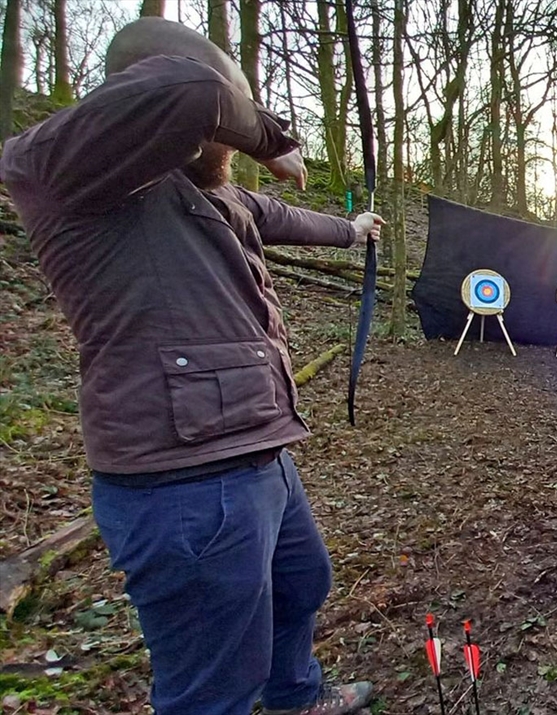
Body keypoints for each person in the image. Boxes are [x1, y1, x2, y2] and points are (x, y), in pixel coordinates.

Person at [0, 18, 383, 715]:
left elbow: (287, 218)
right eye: (229, 116)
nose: (232, 140)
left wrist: (355, 231)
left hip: (257, 453)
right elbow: (192, 89)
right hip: (183, 482)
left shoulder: (210, 195)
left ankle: (295, 695)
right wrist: (270, 136)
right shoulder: (62, 168)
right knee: (211, 687)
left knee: (302, 583)